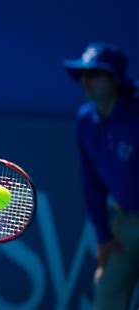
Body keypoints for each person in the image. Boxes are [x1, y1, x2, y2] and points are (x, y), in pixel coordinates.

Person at [63, 42, 139, 310]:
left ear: (115, 78)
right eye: (83, 75)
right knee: (107, 292)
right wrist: (103, 235)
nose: (86, 81)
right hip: (124, 223)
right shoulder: (85, 120)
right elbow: (91, 182)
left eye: (94, 74)